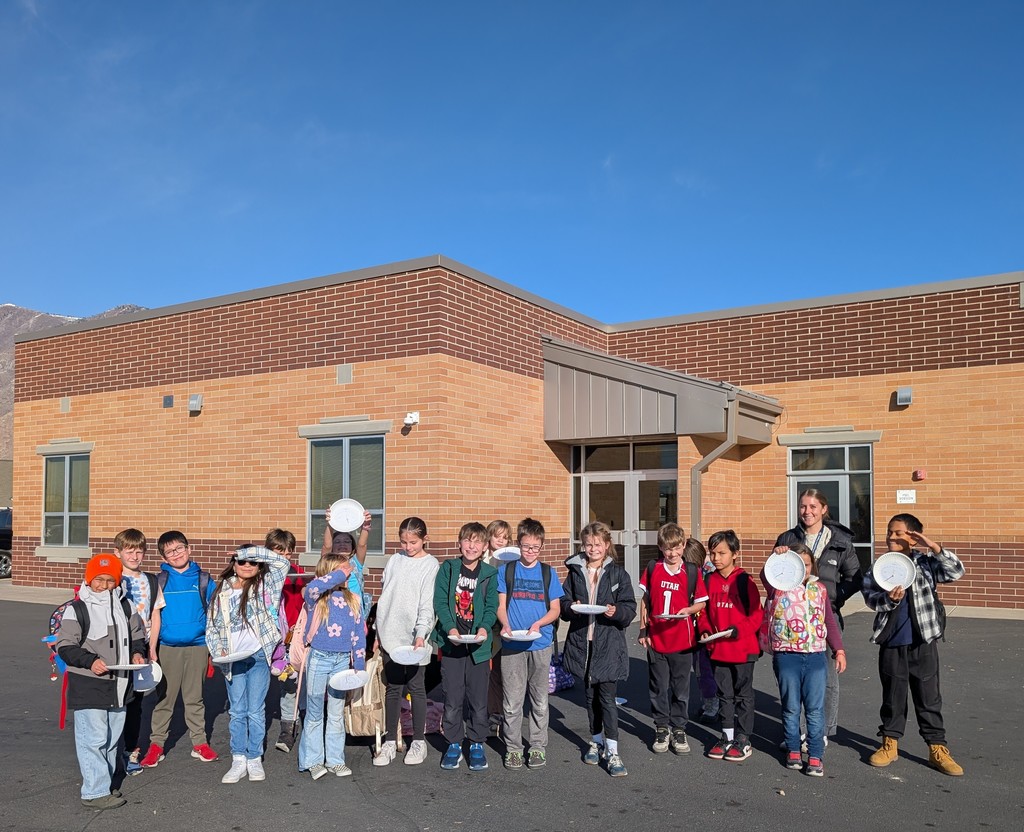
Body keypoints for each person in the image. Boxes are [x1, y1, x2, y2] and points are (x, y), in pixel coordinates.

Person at [862, 513, 965, 776]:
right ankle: (890, 743)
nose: (891, 537)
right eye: (889, 532)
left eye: (898, 532)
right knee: (893, 696)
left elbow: (955, 572)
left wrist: (934, 546)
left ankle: (937, 748)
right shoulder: (880, 567)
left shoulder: (927, 564)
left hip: (924, 640)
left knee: (929, 697)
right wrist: (889, 599)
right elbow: (870, 598)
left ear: (913, 536)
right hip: (892, 641)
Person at [56, 554, 146, 810]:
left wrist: (138, 652)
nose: (104, 586)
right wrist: (90, 661)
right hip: (89, 684)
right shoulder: (77, 608)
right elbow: (65, 646)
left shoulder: (126, 605)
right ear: (89, 579)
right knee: (93, 739)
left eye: (110, 580)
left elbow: (137, 635)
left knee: (111, 738)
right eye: (99, 580)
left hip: (120, 684)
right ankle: (94, 792)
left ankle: (105, 784)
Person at [774, 488, 861, 740]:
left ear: (824, 509)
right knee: (792, 678)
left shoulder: (840, 541)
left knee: (826, 678)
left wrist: (833, 597)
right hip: (792, 618)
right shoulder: (787, 538)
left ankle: (820, 732)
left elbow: (854, 578)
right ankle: (796, 732)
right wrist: (778, 556)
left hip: (826, 616)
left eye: (813, 507)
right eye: (803, 506)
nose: (807, 512)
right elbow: (773, 576)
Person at [206, 544, 290, 784]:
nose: (247, 566)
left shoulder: (266, 586)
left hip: (258, 656)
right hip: (232, 658)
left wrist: (249, 552)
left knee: (255, 709)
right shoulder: (221, 590)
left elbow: (282, 563)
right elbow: (212, 625)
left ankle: (254, 757)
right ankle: (238, 758)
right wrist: (217, 648)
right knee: (237, 710)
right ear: (233, 563)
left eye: (252, 562)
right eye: (242, 561)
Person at [761, 542, 846, 777]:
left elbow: (829, 619)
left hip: (816, 656)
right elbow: (764, 574)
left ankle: (816, 754)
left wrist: (838, 650)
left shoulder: (819, 590)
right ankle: (793, 750)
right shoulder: (777, 587)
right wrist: (776, 557)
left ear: (812, 566)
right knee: (790, 707)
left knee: (815, 709)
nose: (803, 570)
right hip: (787, 655)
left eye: (806, 565)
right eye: (797, 565)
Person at [561, 521, 637, 776]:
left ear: (607, 546)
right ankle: (596, 741)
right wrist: (571, 606)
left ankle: (613, 751)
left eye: (598, 544)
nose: (593, 548)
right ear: (583, 545)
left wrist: (617, 612)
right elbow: (563, 603)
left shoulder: (618, 574)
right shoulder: (574, 571)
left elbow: (629, 608)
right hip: (584, 643)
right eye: (588, 544)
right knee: (591, 698)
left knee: (607, 699)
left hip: (608, 644)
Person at [140, 531, 218, 767]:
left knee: (195, 699)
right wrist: (151, 648)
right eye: (170, 551)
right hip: (167, 648)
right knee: (164, 699)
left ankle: (199, 743)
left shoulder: (204, 579)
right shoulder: (159, 581)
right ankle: (156, 745)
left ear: (189, 548)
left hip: (198, 646)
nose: (176, 554)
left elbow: (215, 614)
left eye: (180, 548)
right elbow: (152, 615)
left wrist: (215, 646)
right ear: (163, 556)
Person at [496, 517, 563, 771]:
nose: (530, 552)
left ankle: (537, 746)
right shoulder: (507, 571)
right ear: (518, 544)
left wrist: (539, 624)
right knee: (512, 701)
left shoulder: (548, 573)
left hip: (541, 643)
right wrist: (504, 624)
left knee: (539, 700)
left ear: (542, 546)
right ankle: (513, 748)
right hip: (513, 644)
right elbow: (501, 606)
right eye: (526, 546)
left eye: (535, 547)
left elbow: (555, 609)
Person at [373, 517, 440, 767]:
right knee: (393, 687)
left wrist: (422, 633)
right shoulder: (395, 559)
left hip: (415, 638)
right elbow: (385, 594)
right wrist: (378, 632)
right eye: (403, 541)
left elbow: (427, 604)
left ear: (425, 539)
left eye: (413, 542)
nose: (408, 547)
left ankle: (419, 742)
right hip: (390, 633)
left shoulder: (430, 565)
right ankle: (391, 740)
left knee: (416, 687)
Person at [433, 522, 498, 772]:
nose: (472, 546)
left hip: (478, 648)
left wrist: (483, 628)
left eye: (477, 542)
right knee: (452, 698)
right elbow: (440, 601)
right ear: (460, 542)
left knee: (479, 700)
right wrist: (450, 628)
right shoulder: (448, 569)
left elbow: (491, 606)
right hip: (452, 645)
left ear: (484, 546)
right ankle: (453, 743)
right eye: (467, 541)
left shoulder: (490, 574)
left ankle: (477, 742)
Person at [638, 524, 708, 757]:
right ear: (660, 548)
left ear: (684, 546)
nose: (672, 553)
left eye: (677, 548)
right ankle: (661, 727)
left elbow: (701, 602)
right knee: (658, 686)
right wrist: (642, 629)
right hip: (657, 638)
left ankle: (678, 728)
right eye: (667, 549)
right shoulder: (653, 568)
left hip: (682, 640)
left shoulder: (691, 571)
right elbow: (646, 600)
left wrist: (688, 610)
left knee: (681, 688)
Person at [298, 551, 366, 780]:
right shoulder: (316, 597)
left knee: (336, 713)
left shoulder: (353, 599)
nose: (347, 574)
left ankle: (335, 760)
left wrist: (359, 664)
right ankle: (313, 760)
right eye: (342, 571)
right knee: (315, 713)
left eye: (347, 571)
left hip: (341, 661)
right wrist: (338, 574)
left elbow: (358, 634)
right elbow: (314, 587)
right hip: (319, 658)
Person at [699, 529, 761, 762]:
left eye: (722, 553)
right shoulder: (709, 580)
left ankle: (743, 739)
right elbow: (703, 612)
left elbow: (757, 615)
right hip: (719, 650)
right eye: (712, 553)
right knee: (724, 695)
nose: (716, 558)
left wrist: (738, 630)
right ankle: (726, 736)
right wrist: (705, 629)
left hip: (743, 650)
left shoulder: (745, 581)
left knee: (743, 695)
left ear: (735, 554)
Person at [115, 527, 164, 776]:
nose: (134, 556)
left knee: (135, 702)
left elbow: (155, 614)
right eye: (129, 550)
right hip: (114, 646)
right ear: (118, 552)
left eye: (139, 551)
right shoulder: (111, 578)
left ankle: (130, 750)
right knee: (113, 699)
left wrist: (152, 648)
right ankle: (110, 750)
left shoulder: (151, 581)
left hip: (141, 647)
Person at [267, 528, 304, 753]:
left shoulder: (298, 574)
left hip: (290, 638)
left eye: (288, 553)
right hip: (264, 639)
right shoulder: (258, 573)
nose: (284, 558)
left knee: (290, 685)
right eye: (279, 552)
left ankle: (287, 730)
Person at [683, 537, 719, 724]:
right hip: (695, 629)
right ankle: (708, 703)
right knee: (701, 669)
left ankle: (713, 705)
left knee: (705, 670)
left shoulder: (706, 576)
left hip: (706, 631)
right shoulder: (701, 572)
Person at [485, 519, 514, 733]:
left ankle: (507, 712)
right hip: (488, 622)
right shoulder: (483, 559)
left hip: (508, 621)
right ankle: (492, 712)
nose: (501, 541)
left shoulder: (511, 559)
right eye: (497, 536)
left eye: (505, 537)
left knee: (508, 672)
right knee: (491, 671)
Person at [321, 508, 372, 598]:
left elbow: (362, 545)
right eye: (337, 542)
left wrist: (365, 526)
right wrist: (330, 524)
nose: (342, 544)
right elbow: (326, 546)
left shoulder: (356, 562)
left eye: (347, 541)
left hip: (354, 609)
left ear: (352, 545)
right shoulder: (328, 562)